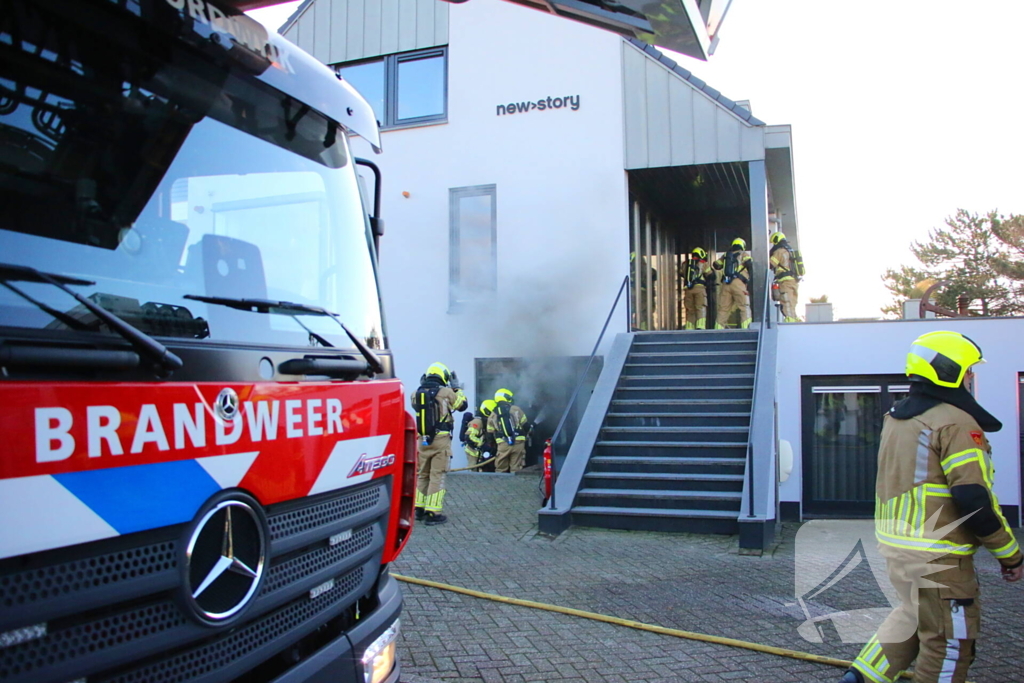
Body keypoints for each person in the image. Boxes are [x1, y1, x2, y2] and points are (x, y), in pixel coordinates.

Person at [840, 331, 1022, 683]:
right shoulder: (955, 422)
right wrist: (1010, 554)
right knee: (949, 642)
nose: (972, 378)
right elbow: (973, 498)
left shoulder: (897, 419)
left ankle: (861, 677)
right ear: (951, 370)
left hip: (897, 549)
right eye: (970, 370)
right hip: (939, 556)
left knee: (912, 616)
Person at [411, 362, 467, 525]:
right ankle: (433, 513)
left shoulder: (416, 393)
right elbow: (462, 405)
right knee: (437, 475)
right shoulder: (446, 392)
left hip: (422, 440)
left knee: (423, 474)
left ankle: (419, 508)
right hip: (440, 440)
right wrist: (458, 389)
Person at [713, 238, 752, 329]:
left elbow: (716, 265)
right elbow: (750, 265)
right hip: (739, 284)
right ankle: (746, 329)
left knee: (723, 309)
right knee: (744, 306)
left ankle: (718, 330)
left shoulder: (726, 255)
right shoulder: (743, 254)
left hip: (726, 284)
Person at [489, 388, 528, 473]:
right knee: (516, 469)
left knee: (500, 469)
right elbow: (526, 425)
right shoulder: (516, 409)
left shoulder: (493, 414)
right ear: (506, 397)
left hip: (503, 444)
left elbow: (490, 432)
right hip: (518, 442)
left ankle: (499, 485)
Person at [769, 231, 801, 323]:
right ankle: (794, 318)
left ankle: (790, 321)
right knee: (792, 302)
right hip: (794, 281)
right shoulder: (790, 251)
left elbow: (771, 264)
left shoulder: (779, 251)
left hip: (785, 281)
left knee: (786, 301)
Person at [683, 247, 712, 330]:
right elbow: (710, 275)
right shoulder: (703, 263)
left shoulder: (685, 264)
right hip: (699, 289)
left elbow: (682, 273)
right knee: (700, 307)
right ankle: (700, 326)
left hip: (688, 289)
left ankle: (689, 327)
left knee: (690, 310)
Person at [464, 400, 496, 471]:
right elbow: (469, 437)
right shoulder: (477, 422)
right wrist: (482, 445)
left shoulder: (487, 421)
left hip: (482, 453)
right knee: (474, 471)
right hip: (474, 453)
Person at [630, 252, 658, 330]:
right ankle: (645, 329)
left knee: (633, 311)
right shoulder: (646, 268)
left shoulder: (628, 269)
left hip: (633, 292)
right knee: (644, 313)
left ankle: (637, 327)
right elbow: (654, 274)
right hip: (643, 293)